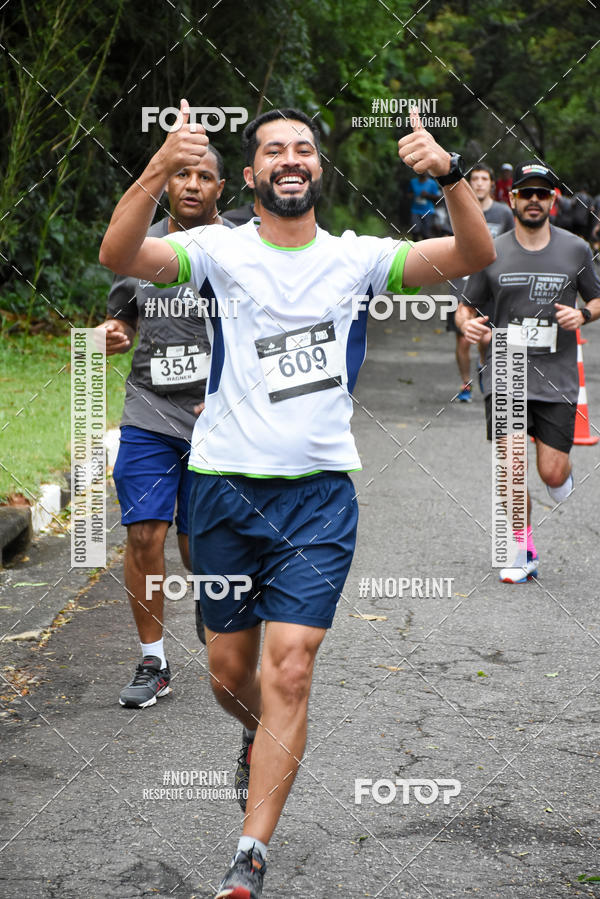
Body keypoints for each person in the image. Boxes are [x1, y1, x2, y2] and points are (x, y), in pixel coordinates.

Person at [99, 100, 494, 898]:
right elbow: (121, 252)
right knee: (229, 673)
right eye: (273, 149)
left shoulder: (357, 258)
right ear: (250, 174)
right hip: (220, 494)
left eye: (303, 149)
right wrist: (157, 166)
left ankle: (251, 852)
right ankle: (253, 738)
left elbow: (468, 254)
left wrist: (450, 175)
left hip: (317, 499)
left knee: (291, 669)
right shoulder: (213, 247)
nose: (290, 158)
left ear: (319, 168)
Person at [96, 145, 234, 709]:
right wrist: (113, 332)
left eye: (205, 176)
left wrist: (228, 392)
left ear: (223, 187)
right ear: (167, 183)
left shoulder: (242, 249)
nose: (194, 185)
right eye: (183, 174)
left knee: (199, 546)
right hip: (150, 409)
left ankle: (208, 596)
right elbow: (120, 314)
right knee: (144, 534)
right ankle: (153, 659)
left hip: (219, 414)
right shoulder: (142, 244)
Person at [456, 161, 600, 584]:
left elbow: (597, 299)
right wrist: (467, 323)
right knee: (511, 465)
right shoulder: (489, 248)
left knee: (551, 473)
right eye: (526, 193)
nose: (534, 200)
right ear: (512, 198)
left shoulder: (575, 249)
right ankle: (521, 548)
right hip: (506, 372)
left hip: (557, 378)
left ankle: (561, 476)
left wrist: (582, 314)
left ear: (553, 201)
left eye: (543, 193)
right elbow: (468, 305)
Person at [449, 164, 515, 401]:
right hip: (462, 280)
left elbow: (512, 247)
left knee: (487, 336)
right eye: (474, 178)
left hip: (492, 283)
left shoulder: (504, 213)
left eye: (483, 178)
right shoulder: (458, 209)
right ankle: (465, 383)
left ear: (491, 184)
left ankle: (482, 364)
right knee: (463, 337)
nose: (478, 183)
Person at [407, 170, 441, 239]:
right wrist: (412, 196)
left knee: (426, 233)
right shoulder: (413, 182)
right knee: (415, 231)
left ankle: (425, 248)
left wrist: (427, 195)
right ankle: (414, 248)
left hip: (428, 211)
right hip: (415, 210)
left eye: (425, 171)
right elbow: (408, 194)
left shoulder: (432, 183)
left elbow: (437, 197)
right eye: (421, 171)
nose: (423, 172)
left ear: (428, 172)